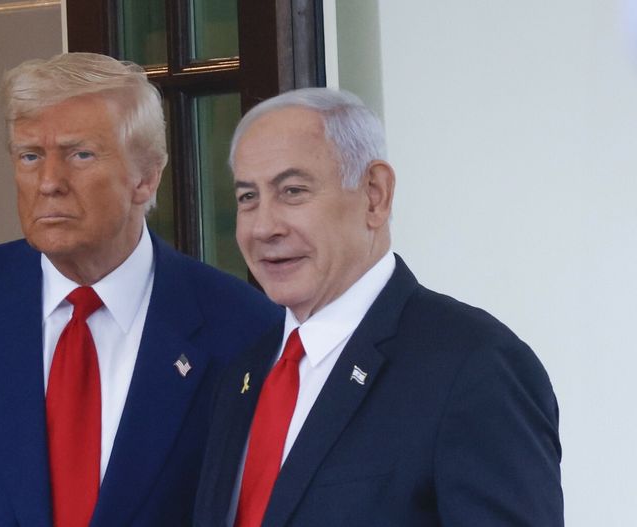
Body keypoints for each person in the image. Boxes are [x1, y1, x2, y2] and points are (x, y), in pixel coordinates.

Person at [0, 53, 281, 527]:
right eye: (30, 156)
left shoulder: (245, 328)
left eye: (80, 154)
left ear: (146, 177)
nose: (49, 183)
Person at [194, 88, 563, 526]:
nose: (263, 227)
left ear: (375, 195)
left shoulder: (474, 368)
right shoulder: (244, 372)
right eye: (247, 198)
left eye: (292, 191)